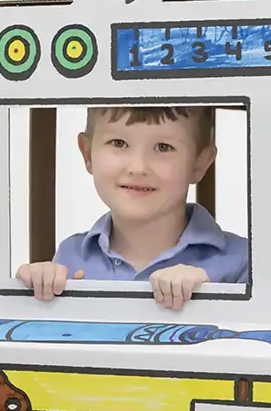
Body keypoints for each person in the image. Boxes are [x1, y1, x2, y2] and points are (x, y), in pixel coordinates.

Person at [16, 106, 249, 310]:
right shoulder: (70, 257)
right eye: (119, 143)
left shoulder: (242, 262)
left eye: (163, 147)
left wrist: (209, 301)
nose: (138, 167)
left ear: (200, 162)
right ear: (87, 154)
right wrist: (34, 296)